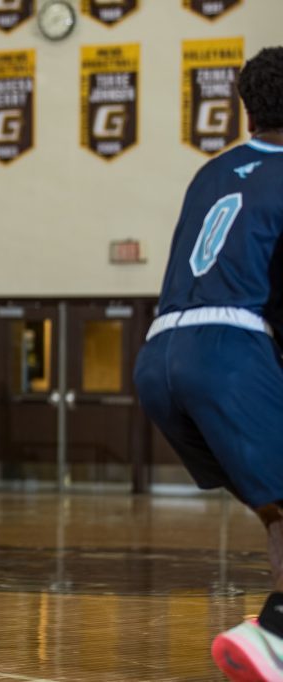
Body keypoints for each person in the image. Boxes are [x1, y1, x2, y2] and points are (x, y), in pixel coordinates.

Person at [132, 47, 283, 682]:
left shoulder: (211, 172)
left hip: (161, 353)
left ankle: (274, 629)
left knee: (275, 503)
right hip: (228, 348)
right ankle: (274, 635)